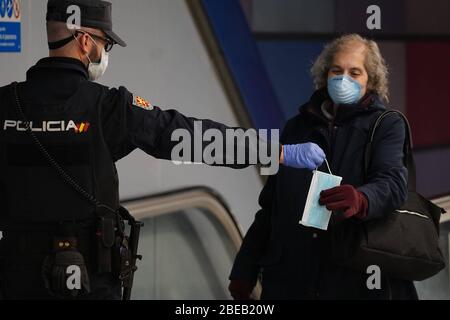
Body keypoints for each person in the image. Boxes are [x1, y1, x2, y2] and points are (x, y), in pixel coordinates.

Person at [0, 0, 325, 300]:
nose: (104, 51)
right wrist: (273, 152)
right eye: (105, 42)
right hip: (90, 283)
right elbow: (190, 137)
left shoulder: (5, 103)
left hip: (15, 279)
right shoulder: (109, 107)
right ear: (85, 41)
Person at [229, 34, 418, 300]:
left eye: (355, 72)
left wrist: (362, 199)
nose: (344, 79)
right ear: (325, 74)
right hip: (292, 281)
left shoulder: (386, 125)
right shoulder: (297, 127)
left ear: (370, 80)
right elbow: (272, 206)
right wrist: (245, 268)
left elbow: (393, 183)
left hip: (356, 281)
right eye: (336, 70)